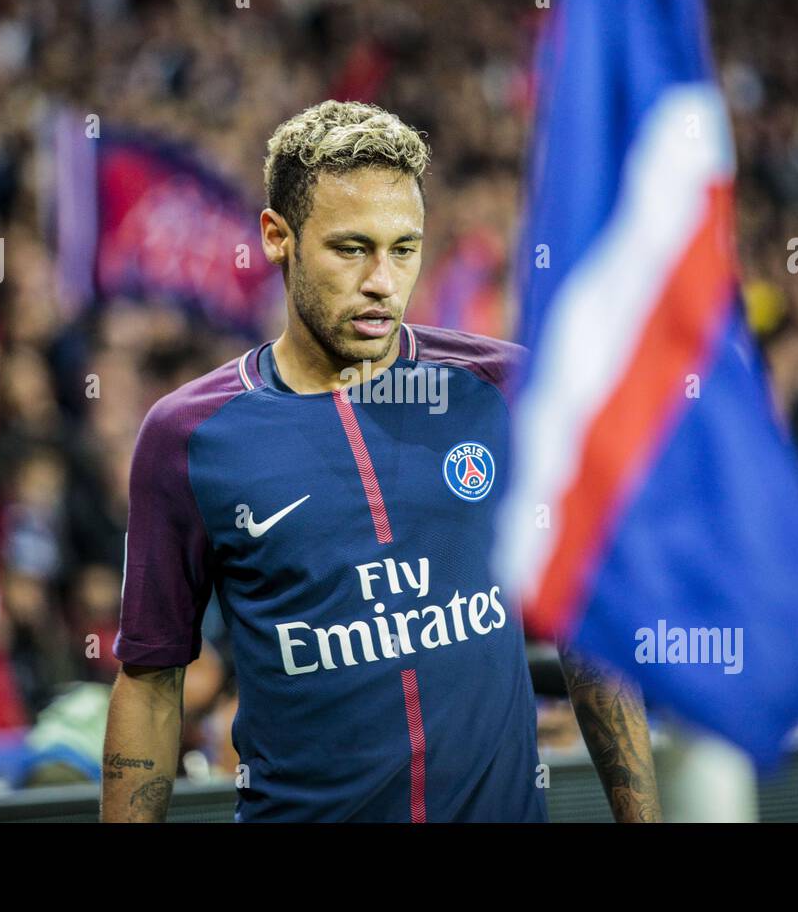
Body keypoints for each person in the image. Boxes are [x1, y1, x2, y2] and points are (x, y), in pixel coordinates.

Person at [100, 100, 659, 822]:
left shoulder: (506, 391)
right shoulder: (189, 437)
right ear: (278, 238)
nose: (382, 281)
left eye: (404, 248)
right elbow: (149, 682)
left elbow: (590, 630)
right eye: (350, 248)